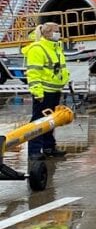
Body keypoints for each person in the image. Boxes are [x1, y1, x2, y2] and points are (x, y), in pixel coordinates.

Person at [22, 22, 70, 160]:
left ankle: (49, 147)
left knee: (50, 121)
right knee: (38, 121)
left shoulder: (56, 47)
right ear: (47, 33)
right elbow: (33, 73)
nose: (58, 33)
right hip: (44, 92)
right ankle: (34, 151)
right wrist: (38, 93)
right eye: (56, 31)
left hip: (55, 90)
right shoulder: (38, 49)